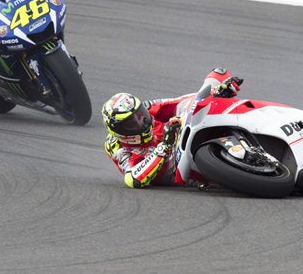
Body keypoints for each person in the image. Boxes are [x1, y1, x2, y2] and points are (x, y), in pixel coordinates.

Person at [102, 68, 243, 189]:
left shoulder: (149, 107)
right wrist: (164, 146)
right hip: (176, 168)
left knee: (218, 73)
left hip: (182, 133)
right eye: (132, 123)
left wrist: (215, 92)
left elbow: (180, 102)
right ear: (119, 131)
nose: (141, 122)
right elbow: (132, 179)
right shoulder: (118, 148)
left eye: (140, 114)